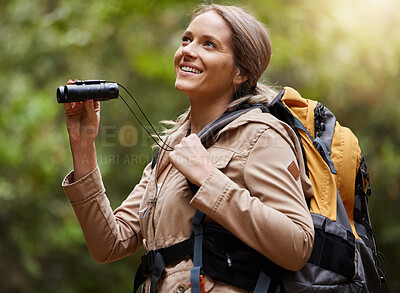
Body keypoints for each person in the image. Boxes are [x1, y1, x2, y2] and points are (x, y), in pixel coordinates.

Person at [62, 4, 314, 292]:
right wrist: (83, 147)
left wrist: (208, 179)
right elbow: (109, 244)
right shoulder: (173, 148)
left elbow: (297, 245)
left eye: (209, 44)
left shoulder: (261, 135)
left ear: (241, 73)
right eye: (186, 39)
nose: (188, 51)